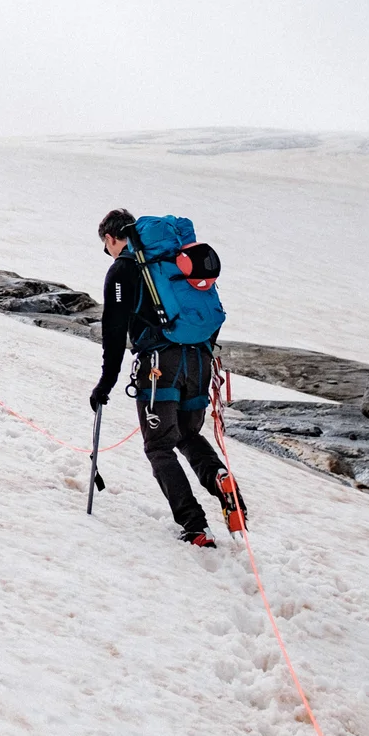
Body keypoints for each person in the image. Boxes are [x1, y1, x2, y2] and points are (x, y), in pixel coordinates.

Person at [88, 207, 245, 547]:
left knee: (159, 446)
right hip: (200, 361)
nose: (108, 253)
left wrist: (106, 383)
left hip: (159, 367)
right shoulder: (176, 262)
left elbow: (114, 331)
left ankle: (195, 527)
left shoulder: (123, 270)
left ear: (113, 238)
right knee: (187, 434)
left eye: (106, 246)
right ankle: (219, 478)